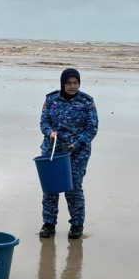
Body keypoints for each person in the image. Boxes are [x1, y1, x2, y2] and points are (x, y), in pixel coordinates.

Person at [38, 68, 99, 239]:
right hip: (53, 149)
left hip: (77, 152)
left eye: (76, 83)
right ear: (62, 83)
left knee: (73, 188)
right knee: (50, 188)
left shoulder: (87, 102)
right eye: (69, 83)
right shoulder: (51, 99)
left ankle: (77, 225)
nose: (72, 86)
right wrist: (49, 132)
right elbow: (44, 122)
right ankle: (49, 224)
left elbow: (92, 128)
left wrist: (76, 144)